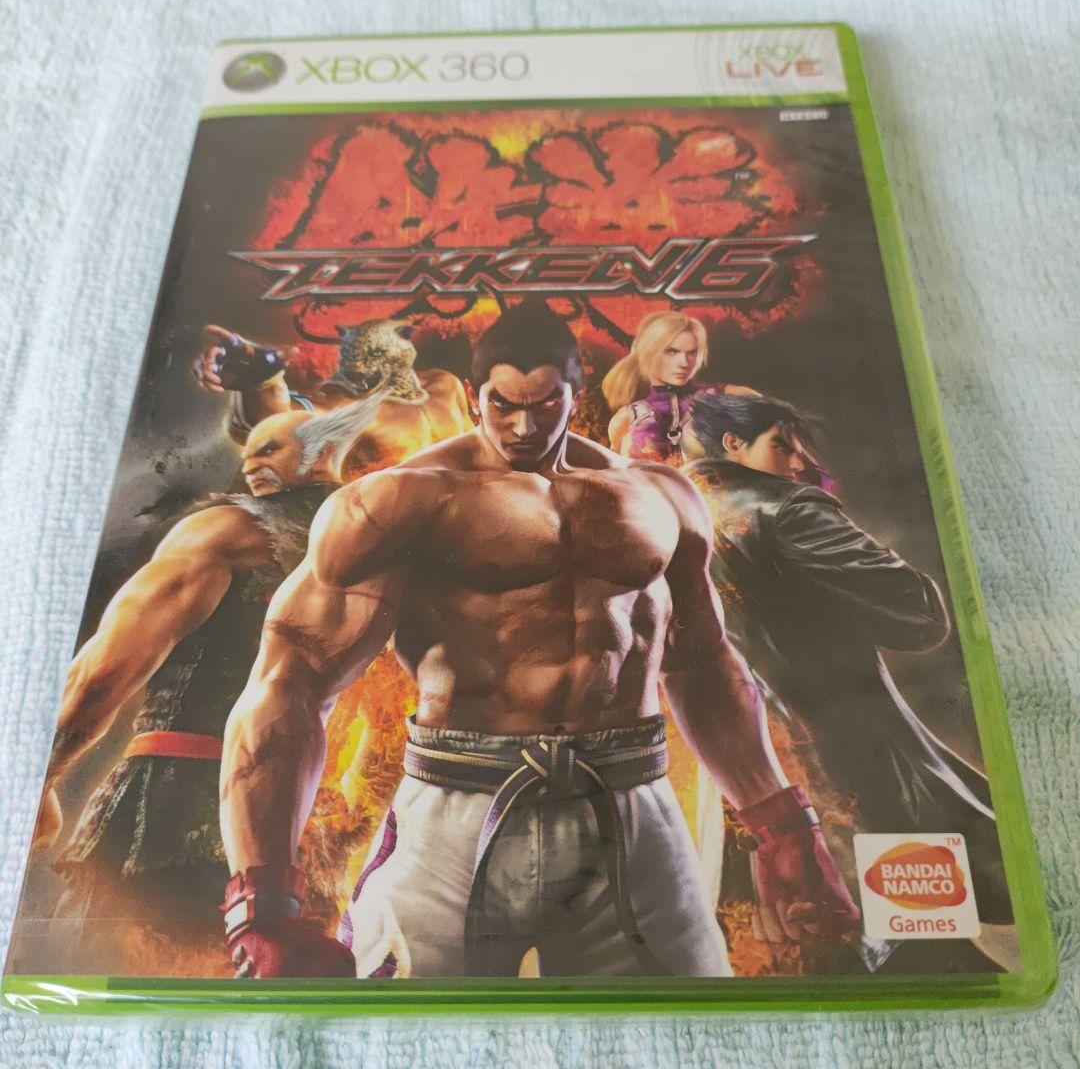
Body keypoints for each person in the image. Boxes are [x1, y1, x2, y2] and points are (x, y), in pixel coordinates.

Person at [217, 301, 858, 981]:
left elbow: (701, 663)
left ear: (576, 396)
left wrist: (782, 828)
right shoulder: (397, 501)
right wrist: (260, 904)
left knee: (676, 1024)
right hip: (456, 808)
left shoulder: (660, 496)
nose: (523, 427)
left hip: (628, 800)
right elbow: (289, 680)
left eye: (545, 405)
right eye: (503, 405)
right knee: (408, 1027)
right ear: (474, 395)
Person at [30, 395, 385, 972]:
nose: (251, 463)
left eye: (269, 448)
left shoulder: (227, 530)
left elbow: (105, 669)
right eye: (248, 452)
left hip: (168, 822)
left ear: (324, 450)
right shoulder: (387, 547)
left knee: (117, 995)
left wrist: (42, 776)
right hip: (306, 838)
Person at [684, 391, 1013, 961]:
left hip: (738, 772)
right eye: (782, 445)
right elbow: (920, 614)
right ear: (734, 444)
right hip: (848, 756)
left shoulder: (674, 506)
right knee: (917, 946)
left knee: (800, 946)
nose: (799, 462)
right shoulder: (787, 509)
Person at [193, 319, 472, 476]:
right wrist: (260, 379)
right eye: (357, 355)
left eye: (374, 353)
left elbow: (478, 443)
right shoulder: (347, 407)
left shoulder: (444, 384)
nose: (362, 366)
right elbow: (274, 420)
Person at [602, 311, 754, 464]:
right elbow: (613, 474)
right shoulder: (624, 420)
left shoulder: (725, 397)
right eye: (671, 351)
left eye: (693, 353)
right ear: (649, 353)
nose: (684, 363)